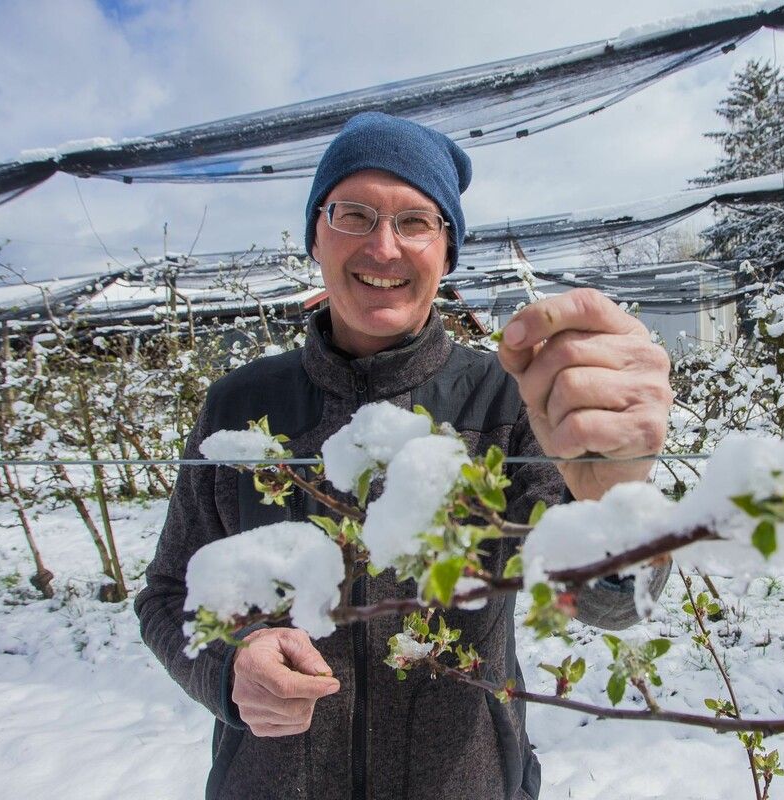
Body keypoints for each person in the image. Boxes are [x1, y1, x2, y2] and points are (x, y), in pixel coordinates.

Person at [135, 112, 674, 800]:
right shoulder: (239, 407)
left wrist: (613, 504)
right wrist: (225, 671)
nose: (383, 247)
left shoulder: (507, 402)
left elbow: (604, 605)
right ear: (316, 237)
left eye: (416, 221)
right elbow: (168, 593)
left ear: (446, 252)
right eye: (353, 214)